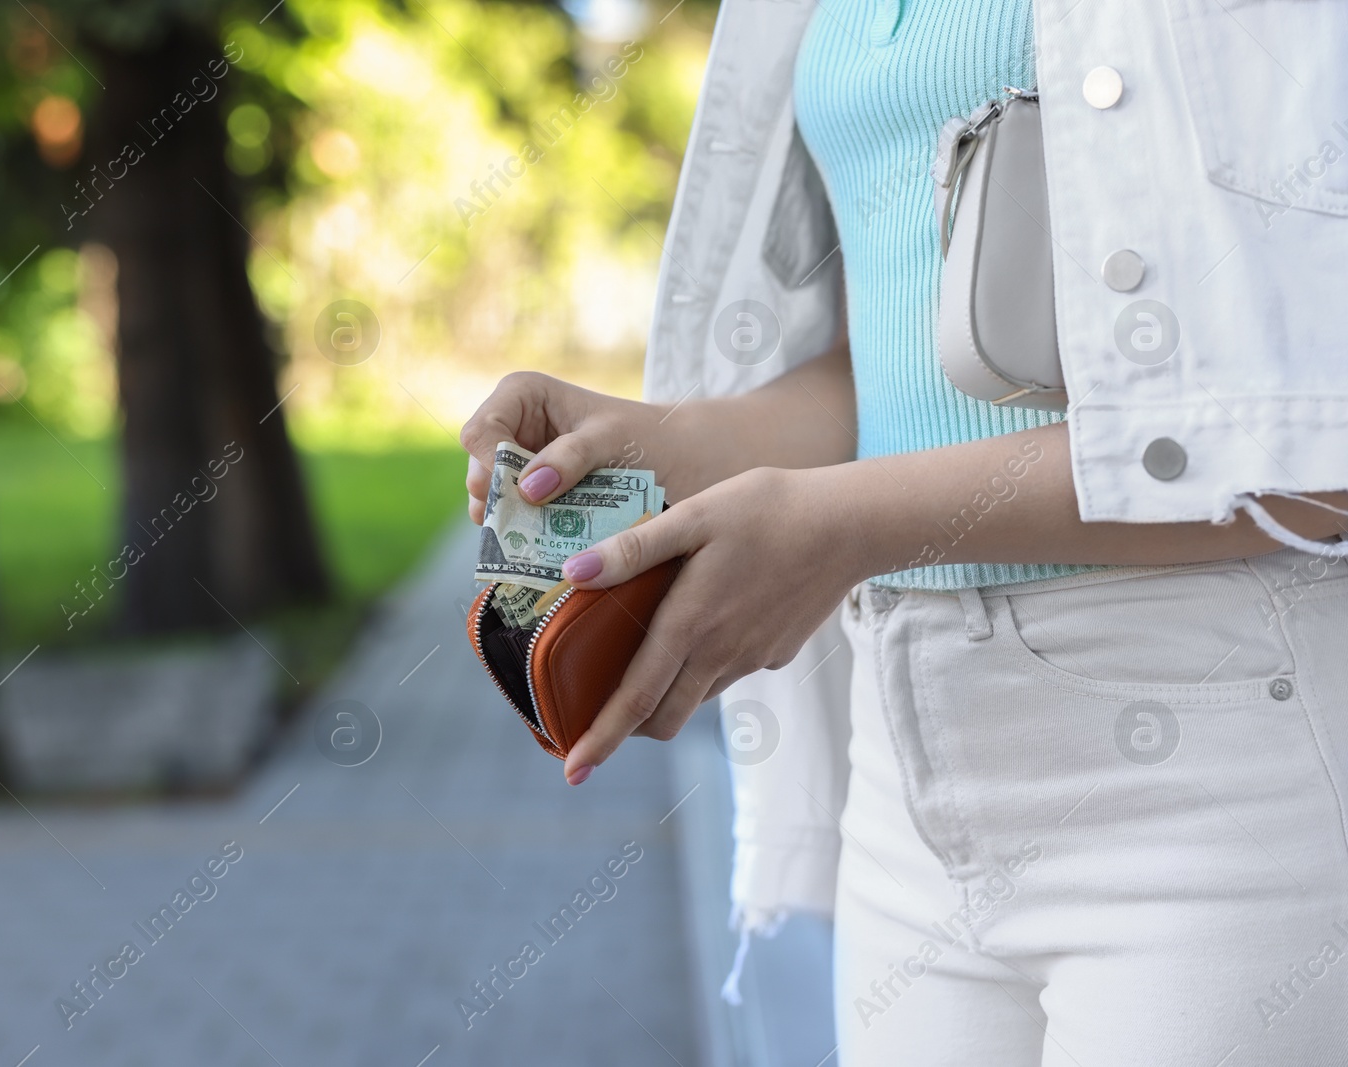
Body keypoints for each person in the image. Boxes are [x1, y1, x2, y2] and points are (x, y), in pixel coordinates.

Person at [461, 0, 1348, 1063]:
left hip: (1215, 778)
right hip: (908, 770)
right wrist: (676, 443)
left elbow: (1314, 444)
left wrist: (846, 527)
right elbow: (901, 370)